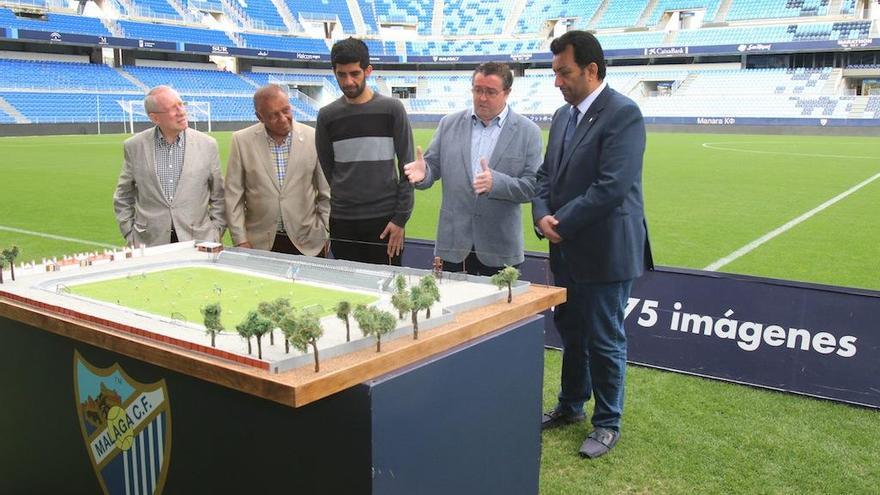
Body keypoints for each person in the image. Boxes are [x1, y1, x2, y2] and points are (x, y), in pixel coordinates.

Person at [532, 31, 653, 459]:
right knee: (571, 332)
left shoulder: (624, 114)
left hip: (605, 251)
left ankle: (607, 422)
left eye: (563, 72)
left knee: (604, 338)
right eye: (555, 73)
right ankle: (570, 405)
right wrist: (541, 216)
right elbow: (545, 177)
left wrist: (560, 222)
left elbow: (612, 187)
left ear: (591, 70)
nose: (557, 81)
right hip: (564, 247)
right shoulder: (563, 116)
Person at [402, 62, 542, 276]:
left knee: (499, 309)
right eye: (478, 90)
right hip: (454, 245)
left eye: (490, 92)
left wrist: (497, 183)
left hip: (500, 247)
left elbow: (533, 186)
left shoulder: (528, 132)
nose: (482, 97)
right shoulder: (449, 124)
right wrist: (424, 174)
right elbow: (432, 168)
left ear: (507, 93)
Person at [315, 37, 414, 266]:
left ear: (368, 71)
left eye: (354, 73)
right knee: (348, 294)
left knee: (388, 294)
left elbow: (408, 169)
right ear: (334, 72)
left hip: (385, 222)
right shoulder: (327, 116)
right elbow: (330, 170)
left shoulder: (392, 110)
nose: (348, 81)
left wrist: (400, 220)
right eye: (341, 74)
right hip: (342, 221)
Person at [224, 84, 330, 256]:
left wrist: (324, 230)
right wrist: (240, 239)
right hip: (258, 244)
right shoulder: (241, 141)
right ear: (260, 117)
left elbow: (326, 193)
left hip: (308, 242)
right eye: (274, 115)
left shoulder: (313, 137)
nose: (283, 118)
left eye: (286, 110)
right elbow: (233, 196)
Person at [113, 85, 225, 247]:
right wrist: (130, 233)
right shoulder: (134, 146)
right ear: (155, 118)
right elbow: (123, 196)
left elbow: (219, 195)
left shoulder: (207, 144)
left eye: (181, 104)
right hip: (150, 241)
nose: (182, 111)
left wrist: (216, 231)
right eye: (173, 108)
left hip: (198, 240)